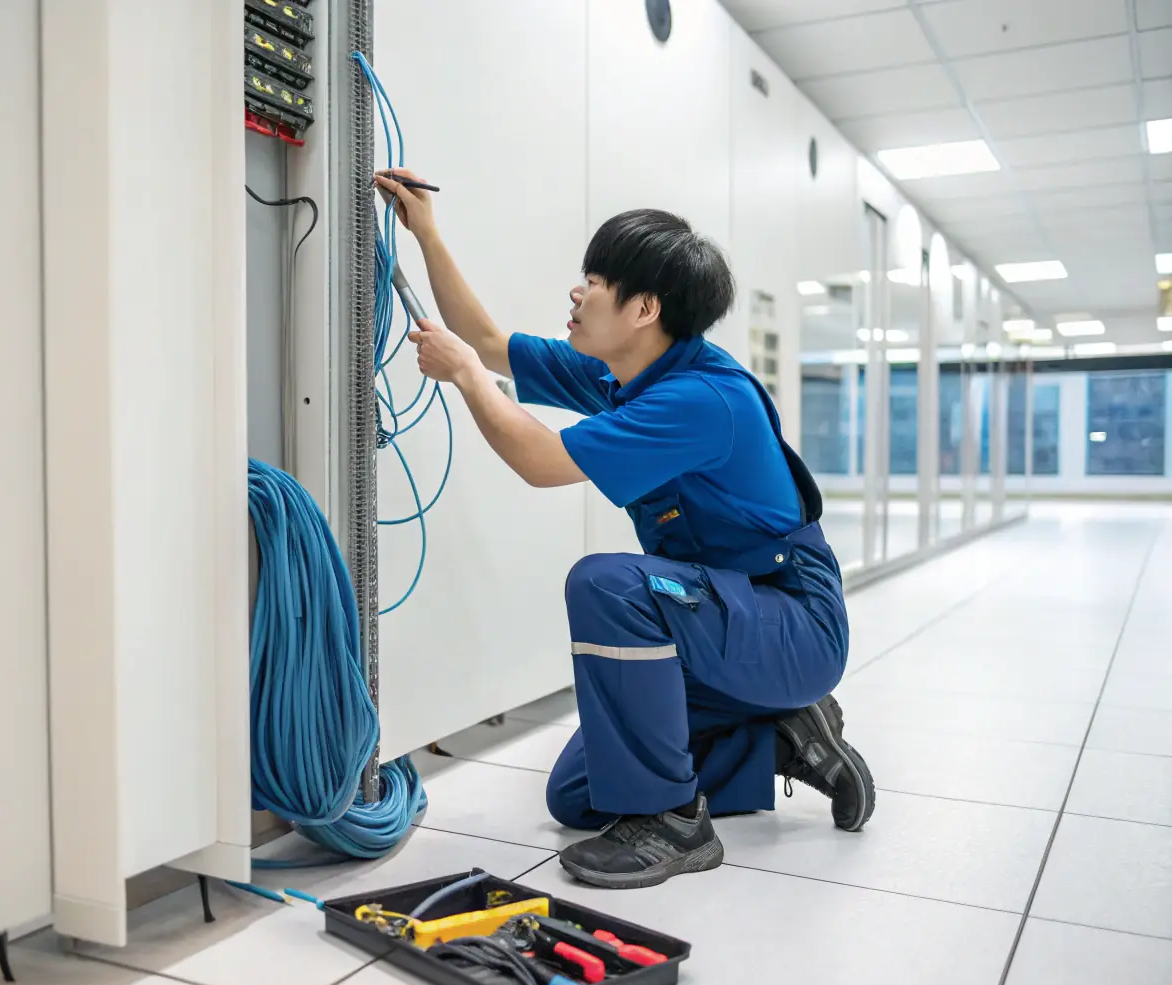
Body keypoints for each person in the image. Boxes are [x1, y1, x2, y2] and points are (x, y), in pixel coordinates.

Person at [375, 169, 874, 891]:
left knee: (607, 583)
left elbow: (538, 461)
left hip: (789, 621)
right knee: (578, 795)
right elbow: (483, 340)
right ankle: (780, 734)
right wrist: (425, 232)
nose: (576, 293)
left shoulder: (700, 398)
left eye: (595, 281)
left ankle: (672, 823)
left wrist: (464, 380)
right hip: (719, 621)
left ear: (643, 308)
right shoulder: (623, 373)